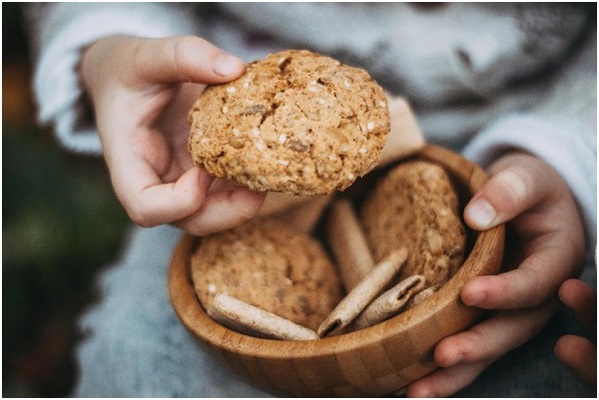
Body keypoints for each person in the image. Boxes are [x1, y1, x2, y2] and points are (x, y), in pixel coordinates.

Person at [27, 3, 596, 397]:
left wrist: (567, 150)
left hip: (531, 148)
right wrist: (110, 47)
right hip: (214, 163)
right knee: (135, 359)